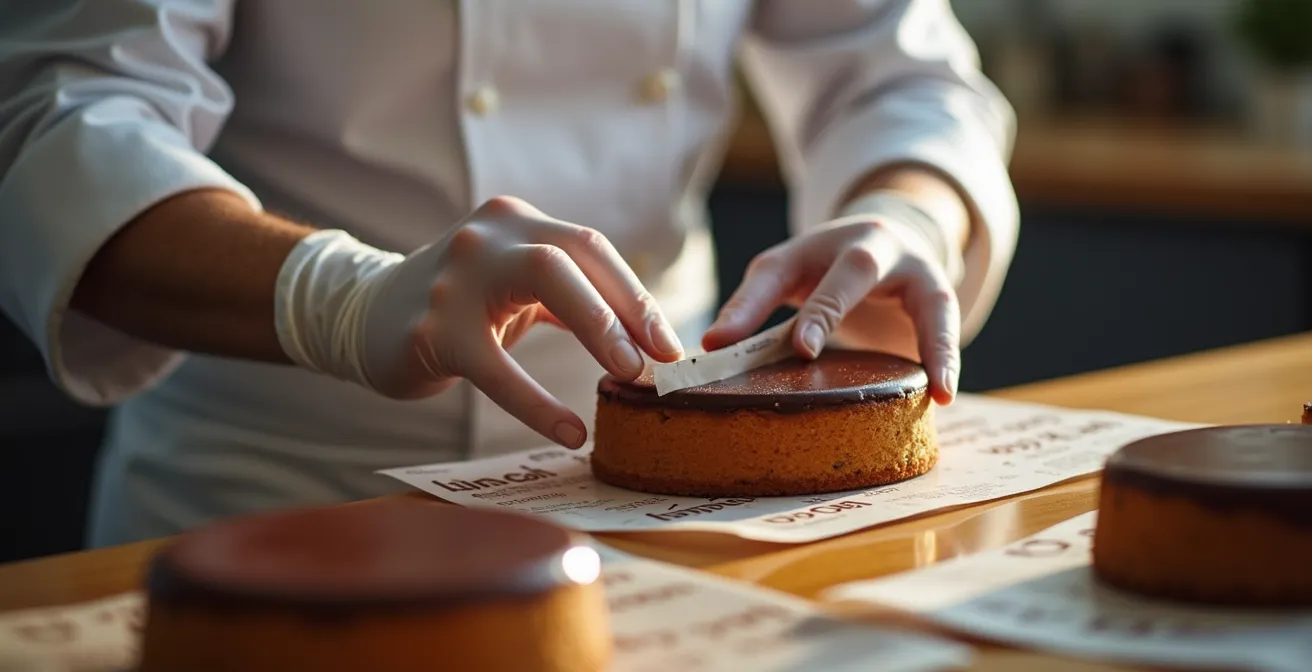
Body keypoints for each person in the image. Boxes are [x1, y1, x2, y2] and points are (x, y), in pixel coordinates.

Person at [0, 0, 1018, 547]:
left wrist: (908, 208)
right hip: (279, 500)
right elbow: (61, 121)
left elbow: (893, 70)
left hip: (686, 509)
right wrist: (340, 297)